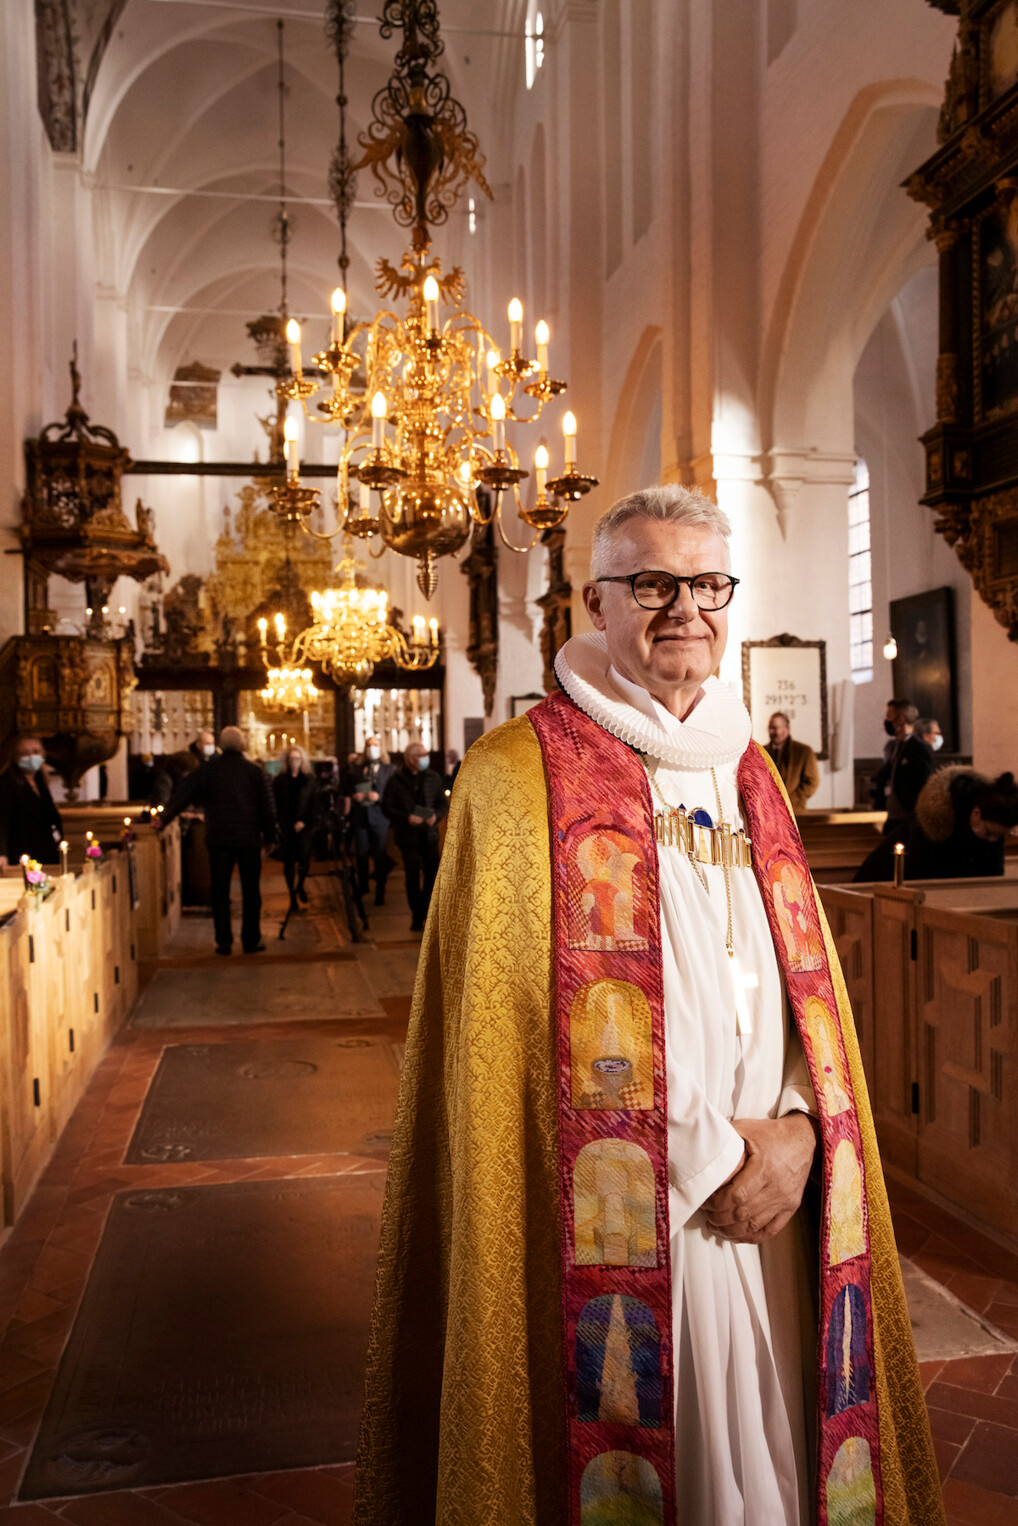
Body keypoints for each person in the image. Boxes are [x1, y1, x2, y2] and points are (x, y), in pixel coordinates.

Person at [354, 485, 941, 1526]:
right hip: (636, 1206)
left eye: (708, 583)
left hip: (780, 1196)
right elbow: (524, 1035)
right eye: (652, 583)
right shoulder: (515, 774)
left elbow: (806, 982)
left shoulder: (752, 769)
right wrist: (714, 1155)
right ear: (597, 600)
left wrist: (803, 1129)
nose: (685, 608)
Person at [159, 725, 276, 955]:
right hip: (248, 839)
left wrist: (162, 820)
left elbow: (182, 795)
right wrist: (270, 837)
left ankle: (224, 941)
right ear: (242, 745)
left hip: (219, 838)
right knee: (251, 891)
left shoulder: (208, 770)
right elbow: (268, 807)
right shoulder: (254, 772)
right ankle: (251, 940)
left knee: (220, 891)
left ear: (220, 745)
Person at [857, 767, 1018, 882]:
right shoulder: (933, 823)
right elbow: (923, 880)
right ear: (976, 813)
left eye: (999, 837)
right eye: (989, 833)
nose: (992, 840)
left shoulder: (996, 820)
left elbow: (992, 875)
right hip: (884, 884)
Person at [380, 742, 448, 931]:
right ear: (410, 759)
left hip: (430, 834)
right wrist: (406, 818)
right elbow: (387, 806)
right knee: (411, 875)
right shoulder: (396, 779)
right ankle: (416, 915)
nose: (426, 757)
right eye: (421, 755)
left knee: (432, 876)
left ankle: (425, 911)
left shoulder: (433, 777)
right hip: (408, 836)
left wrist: (436, 816)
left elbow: (443, 804)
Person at [872, 698, 934, 842]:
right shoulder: (894, 747)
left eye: (889, 715)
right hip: (892, 814)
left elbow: (924, 782)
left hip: (907, 815)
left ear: (901, 718)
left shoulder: (918, 748)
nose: (886, 720)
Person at [0, 736, 64, 871]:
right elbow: (2, 821)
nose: (31, 757)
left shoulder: (40, 782)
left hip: (45, 850)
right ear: (15, 756)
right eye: (24, 753)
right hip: (20, 851)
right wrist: (2, 853)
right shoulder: (6, 783)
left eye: (36, 752)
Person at [348, 736, 396, 905]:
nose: (371, 748)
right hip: (361, 816)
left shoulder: (390, 769)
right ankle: (363, 886)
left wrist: (379, 797)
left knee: (379, 855)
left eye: (375, 745)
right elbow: (349, 789)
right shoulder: (358, 768)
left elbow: (393, 794)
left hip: (379, 817)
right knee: (360, 854)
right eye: (369, 745)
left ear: (380, 748)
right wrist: (356, 797)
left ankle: (380, 890)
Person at [272, 745, 320, 913]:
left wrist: (305, 821)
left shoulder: (309, 781)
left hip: (304, 826)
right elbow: (276, 804)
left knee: (304, 860)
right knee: (289, 862)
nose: (295, 762)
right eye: (292, 759)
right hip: (287, 826)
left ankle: (300, 886)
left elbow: (314, 804)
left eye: (297, 758)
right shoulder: (279, 781)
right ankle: (292, 897)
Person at [765, 710, 820, 813]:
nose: (776, 732)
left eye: (780, 728)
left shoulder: (804, 751)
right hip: (768, 813)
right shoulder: (761, 753)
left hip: (794, 812)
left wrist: (792, 799)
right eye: (773, 728)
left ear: (787, 728)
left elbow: (813, 782)